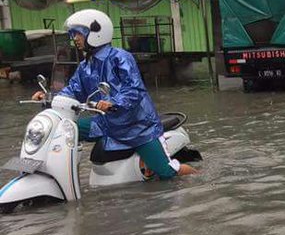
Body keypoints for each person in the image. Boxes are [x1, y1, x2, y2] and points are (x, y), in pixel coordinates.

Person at [32, 9, 196, 179]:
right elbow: (72, 91)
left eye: (78, 34)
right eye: (73, 34)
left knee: (167, 173)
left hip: (137, 127)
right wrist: (49, 97)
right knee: (65, 130)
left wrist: (114, 103)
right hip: (106, 123)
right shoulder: (84, 66)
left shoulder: (120, 57)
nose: (75, 39)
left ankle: (199, 178)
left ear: (95, 33)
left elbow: (134, 89)